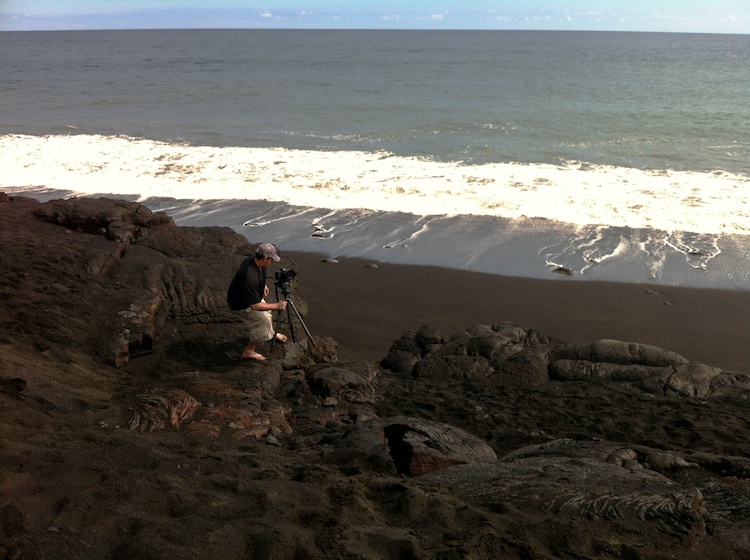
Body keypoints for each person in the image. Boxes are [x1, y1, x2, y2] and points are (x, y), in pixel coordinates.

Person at [227, 242, 288, 360]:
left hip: (250, 297)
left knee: (268, 314)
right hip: (242, 304)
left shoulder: (254, 261)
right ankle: (249, 351)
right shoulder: (250, 276)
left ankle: (272, 333)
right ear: (265, 258)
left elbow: (257, 278)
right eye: (271, 259)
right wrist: (277, 305)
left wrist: (262, 285)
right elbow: (254, 306)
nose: (272, 262)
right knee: (262, 326)